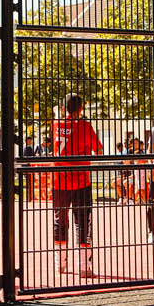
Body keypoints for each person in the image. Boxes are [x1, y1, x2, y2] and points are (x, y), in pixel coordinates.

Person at [49, 92, 103, 277]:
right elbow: (99, 149)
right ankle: (84, 267)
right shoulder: (84, 126)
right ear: (81, 109)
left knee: (59, 221)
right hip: (80, 180)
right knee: (82, 223)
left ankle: (60, 264)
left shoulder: (56, 124)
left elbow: (58, 118)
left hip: (58, 181)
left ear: (64, 108)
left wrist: (58, 114)